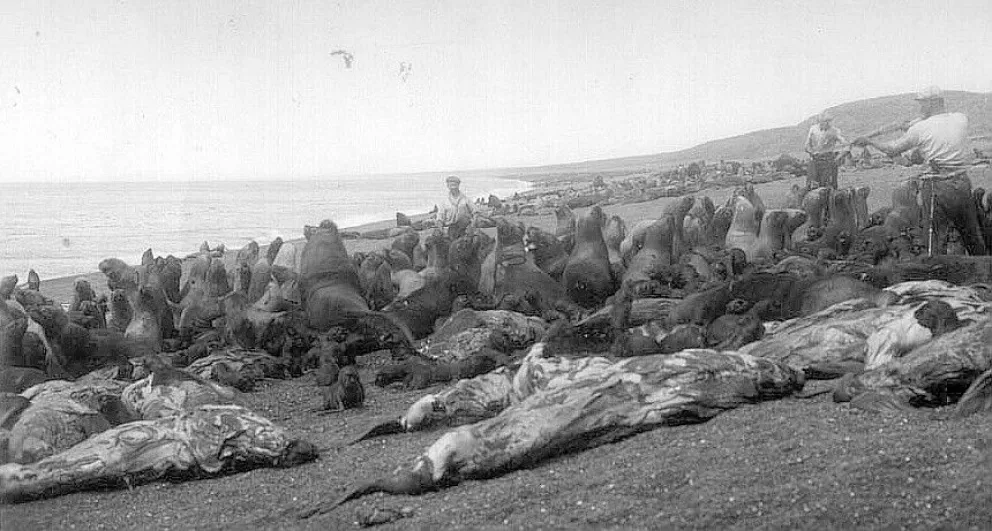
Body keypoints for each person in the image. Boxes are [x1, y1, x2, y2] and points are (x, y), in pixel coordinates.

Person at [853, 86, 984, 255]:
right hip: (962, 183)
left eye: (923, 104)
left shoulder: (920, 128)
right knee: (972, 234)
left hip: (937, 186)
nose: (921, 107)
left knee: (934, 239)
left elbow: (893, 149)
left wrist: (869, 141)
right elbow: (938, 124)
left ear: (932, 103)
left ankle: (936, 271)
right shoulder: (960, 119)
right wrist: (914, 122)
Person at [804, 111, 847, 189]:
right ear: (819, 122)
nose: (827, 123)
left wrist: (839, 157)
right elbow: (807, 145)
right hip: (815, 159)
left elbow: (846, 145)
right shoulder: (813, 129)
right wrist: (811, 152)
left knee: (830, 187)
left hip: (829, 160)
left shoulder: (835, 131)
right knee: (810, 185)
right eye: (825, 121)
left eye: (829, 121)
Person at [437, 175, 476, 239]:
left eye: (455, 185)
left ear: (458, 185)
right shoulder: (444, 201)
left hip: (465, 228)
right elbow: (439, 218)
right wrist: (441, 230)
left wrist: (472, 225)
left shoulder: (466, 199)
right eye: (451, 186)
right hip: (450, 229)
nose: (453, 188)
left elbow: (475, 212)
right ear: (448, 186)